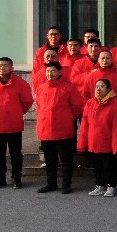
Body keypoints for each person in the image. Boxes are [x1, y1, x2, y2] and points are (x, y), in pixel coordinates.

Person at [0, 57, 34, 190]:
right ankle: (0, 177)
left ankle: (17, 178)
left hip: (14, 124)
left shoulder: (21, 83)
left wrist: (16, 112)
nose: (2, 68)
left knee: (15, 153)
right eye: (0, 65)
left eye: (6, 65)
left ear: (12, 68)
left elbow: (27, 101)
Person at [34, 62, 84, 194]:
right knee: (50, 159)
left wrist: (67, 117)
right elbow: (39, 107)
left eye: (53, 71)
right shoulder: (41, 88)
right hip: (46, 128)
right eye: (48, 71)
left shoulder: (68, 87)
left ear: (59, 72)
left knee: (66, 159)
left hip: (63, 128)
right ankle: (51, 183)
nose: (50, 74)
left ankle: (66, 183)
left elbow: (77, 106)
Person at [77, 78, 117, 197]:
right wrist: (82, 142)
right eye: (97, 86)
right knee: (97, 165)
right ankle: (100, 184)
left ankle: (112, 185)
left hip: (108, 140)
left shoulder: (115, 103)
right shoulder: (90, 103)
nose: (99, 89)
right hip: (93, 140)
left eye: (102, 86)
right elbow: (85, 124)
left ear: (109, 89)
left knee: (109, 166)